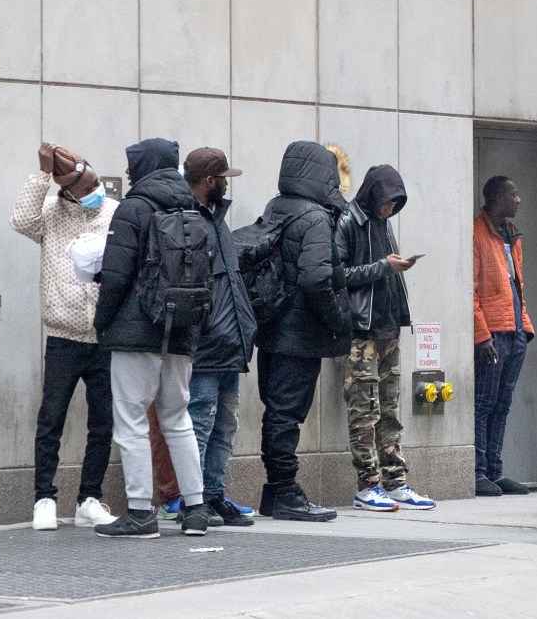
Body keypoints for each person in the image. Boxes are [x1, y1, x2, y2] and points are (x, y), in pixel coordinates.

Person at [92, 137, 211, 538]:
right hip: (180, 331)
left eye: (131, 167)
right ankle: (195, 510)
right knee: (178, 419)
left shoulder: (134, 208)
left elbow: (116, 275)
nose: (127, 174)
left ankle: (141, 513)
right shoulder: (192, 207)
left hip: (135, 332)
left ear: (143, 168)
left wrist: (103, 324)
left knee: (131, 422)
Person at [10, 142, 120, 531]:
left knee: (103, 421)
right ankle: (44, 498)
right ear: (67, 191)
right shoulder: (52, 214)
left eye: (95, 183)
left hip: (104, 335)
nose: (94, 193)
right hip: (63, 333)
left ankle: (90, 497)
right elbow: (21, 220)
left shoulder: (113, 212)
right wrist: (41, 175)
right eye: (86, 189)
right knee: (51, 418)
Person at [256, 141, 352, 521]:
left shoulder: (276, 207)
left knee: (275, 412)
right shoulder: (314, 217)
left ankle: (275, 490)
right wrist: (338, 319)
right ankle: (284, 492)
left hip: (273, 329)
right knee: (287, 415)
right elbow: (316, 279)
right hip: (300, 335)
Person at [335, 164, 436, 512]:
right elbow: (337, 274)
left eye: (396, 203)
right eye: (388, 201)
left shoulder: (383, 224)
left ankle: (395, 482)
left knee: (390, 410)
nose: (390, 208)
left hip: (388, 328)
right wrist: (383, 267)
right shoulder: (348, 221)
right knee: (365, 412)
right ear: (374, 194)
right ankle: (367, 486)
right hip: (360, 333)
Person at [181, 148, 258, 526]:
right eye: (223, 177)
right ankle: (194, 500)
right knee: (200, 421)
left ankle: (213, 496)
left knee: (224, 424)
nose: (228, 183)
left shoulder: (215, 219)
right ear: (210, 180)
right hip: (207, 343)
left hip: (229, 342)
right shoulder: (188, 220)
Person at [473, 176, 534, 497]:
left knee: (502, 404)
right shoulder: (476, 232)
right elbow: (469, 291)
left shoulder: (511, 235)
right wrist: (482, 335)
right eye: (514, 194)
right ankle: (478, 472)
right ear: (496, 197)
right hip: (492, 333)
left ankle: (495, 472)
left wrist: (524, 326)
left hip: (515, 331)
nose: (519, 200)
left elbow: (517, 288)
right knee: (484, 402)